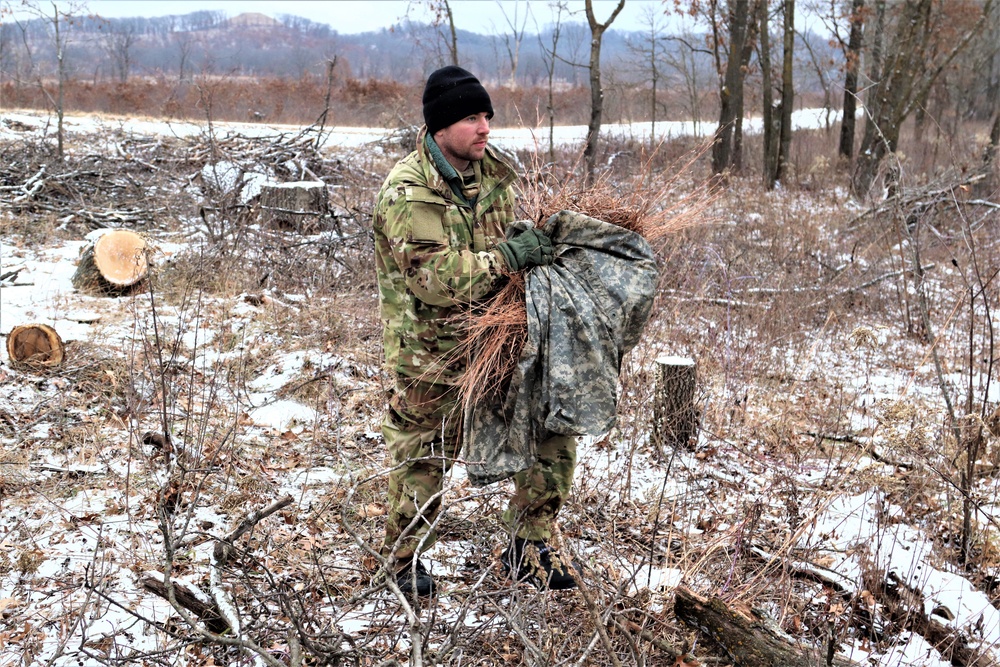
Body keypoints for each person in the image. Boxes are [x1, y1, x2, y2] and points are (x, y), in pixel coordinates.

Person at [372, 65, 579, 596]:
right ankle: (402, 561)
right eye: (470, 117)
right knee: (426, 453)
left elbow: (509, 242)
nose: (485, 127)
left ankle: (528, 548)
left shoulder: (493, 177)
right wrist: (510, 256)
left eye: (487, 116)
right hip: (431, 352)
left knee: (551, 431)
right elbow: (434, 279)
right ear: (440, 127)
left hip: (500, 339)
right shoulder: (410, 192)